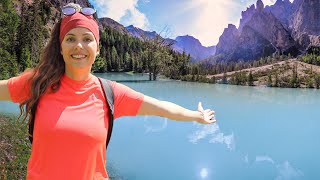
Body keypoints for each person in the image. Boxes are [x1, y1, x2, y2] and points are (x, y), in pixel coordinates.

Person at [0, 3, 216, 180]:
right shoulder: (38, 83)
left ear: (98, 48)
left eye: (87, 39)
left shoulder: (110, 93)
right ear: (60, 46)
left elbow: (161, 108)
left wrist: (196, 116)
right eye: (70, 38)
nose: (79, 46)